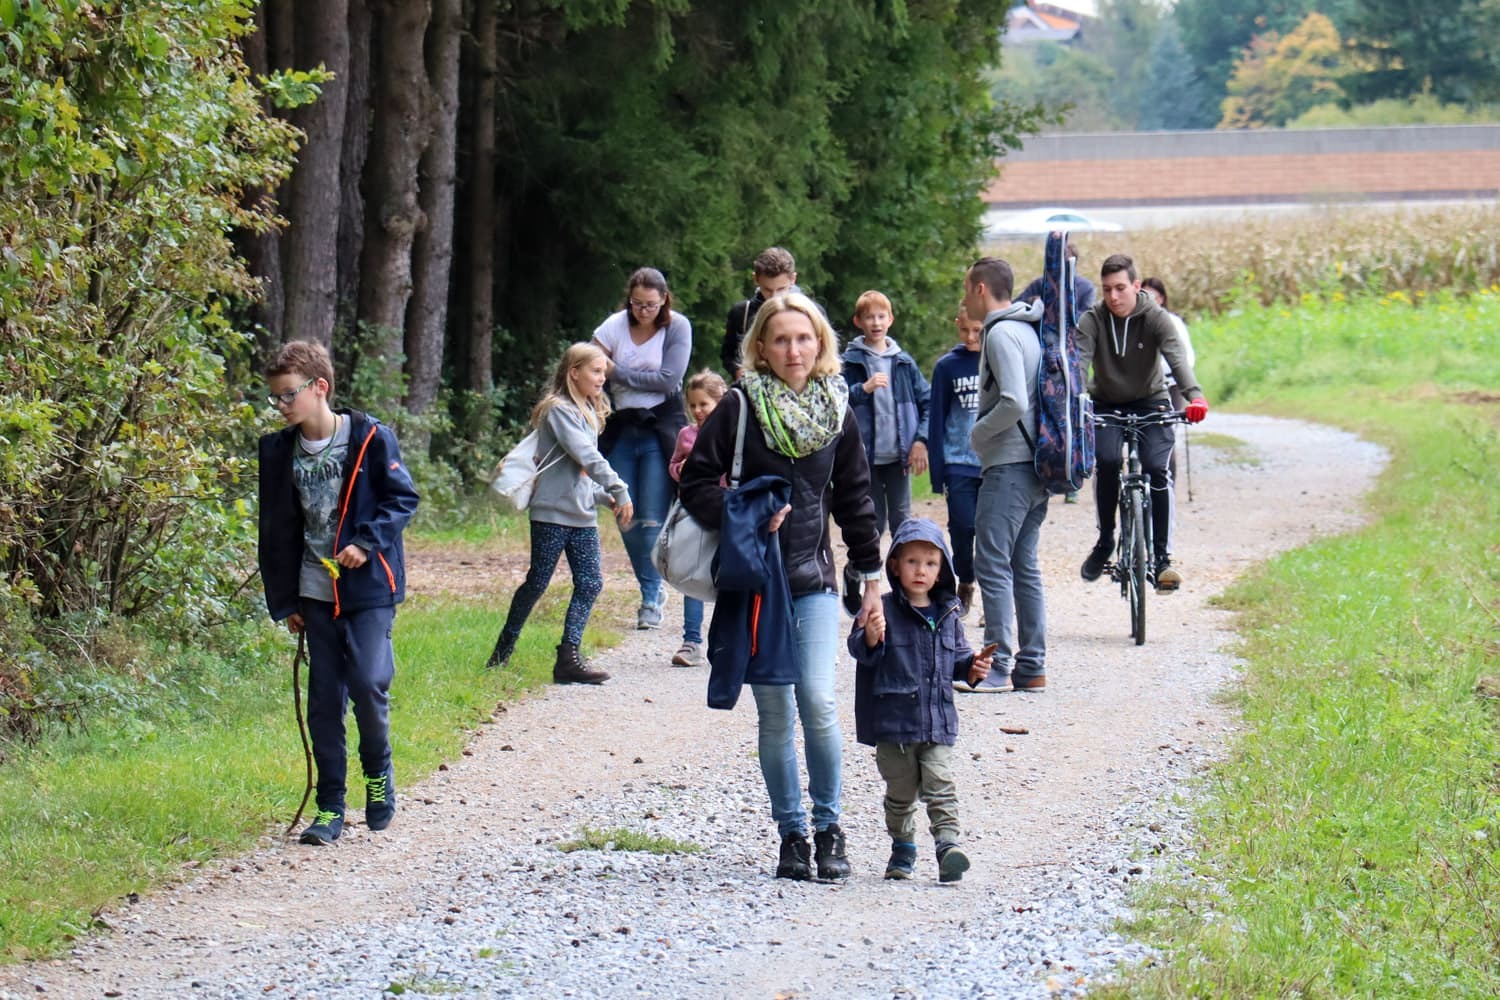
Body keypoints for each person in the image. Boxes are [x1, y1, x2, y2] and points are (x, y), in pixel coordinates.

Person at [680, 292, 883, 882]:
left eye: (803, 338)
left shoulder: (837, 408)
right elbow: (695, 483)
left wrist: (870, 578)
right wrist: (746, 512)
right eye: (781, 340)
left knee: (817, 700)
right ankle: (791, 834)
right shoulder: (740, 406)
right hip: (756, 582)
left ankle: (829, 828)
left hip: (814, 577)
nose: (794, 350)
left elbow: (856, 498)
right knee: (774, 714)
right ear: (762, 348)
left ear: (819, 343)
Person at [258, 341, 420, 846]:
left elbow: (402, 499)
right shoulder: (277, 452)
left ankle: (378, 776)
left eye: (289, 394)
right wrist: (285, 601)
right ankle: (330, 806)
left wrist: (365, 543)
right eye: (276, 397)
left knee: (369, 683)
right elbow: (274, 530)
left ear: (319, 387)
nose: (281, 405)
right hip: (313, 592)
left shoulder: (370, 438)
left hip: (368, 588)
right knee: (325, 700)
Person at [848, 517, 994, 882]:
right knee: (900, 795)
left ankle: (948, 846)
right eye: (912, 561)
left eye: (930, 563)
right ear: (895, 565)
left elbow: (958, 659)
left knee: (940, 784)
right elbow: (859, 650)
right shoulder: (881, 608)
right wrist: (871, 636)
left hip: (937, 722)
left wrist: (973, 668)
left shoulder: (949, 612)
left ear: (941, 569)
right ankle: (903, 847)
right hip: (894, 726)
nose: (920, 571)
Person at [485, 343, 634, 684]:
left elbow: (578, 476)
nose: (602, 378)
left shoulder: (588, 412)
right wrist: (618, 488)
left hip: (581, 516)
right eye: (596, 371)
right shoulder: (558, 411)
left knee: (590, 582)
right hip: (551, 514)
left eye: (604, 372)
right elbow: (586, 457)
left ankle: (568, 657)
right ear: (574, 373)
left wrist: (603, 497)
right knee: (537, 582)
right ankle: (503, 650)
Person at [1076, 255, 1208, 592]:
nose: (1113, 296)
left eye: (1120, 288)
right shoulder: (1093, 319)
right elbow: (1079, 362)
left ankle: (1162, 558)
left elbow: (1176, 357)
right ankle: (1106, 539)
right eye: (1107, 289)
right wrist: (1073, 399)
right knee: (1107, 461)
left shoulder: (1155, 317)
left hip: (1151, 399)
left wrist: (1195, 396)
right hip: (1106, 403)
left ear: (1136, 286)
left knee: (1156, 468)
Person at [964, 257, 1048, 693]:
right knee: (1023, 564)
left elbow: (1014, 400)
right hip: (1037, 467)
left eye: (967, 289)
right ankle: (1031, 667)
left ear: (981, 289)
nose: (964, 299)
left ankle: (997, 667)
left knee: (992, 562)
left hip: (1010, 465)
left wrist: (978, 433)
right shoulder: (1028, 329)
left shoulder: (1000, 334)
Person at [593, 267, 690, 630]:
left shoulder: (677, 327)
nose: (643, 311)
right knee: (625, 513)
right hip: (620, 426)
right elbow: (590, 364)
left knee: (650, 517)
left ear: (663, 300)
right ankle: (650, 587)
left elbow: (668, 380)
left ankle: (650, 597)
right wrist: (605, 372)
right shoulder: (613, 326)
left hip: (658, 427)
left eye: (650, 305)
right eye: (636, 304)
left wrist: (616, 371)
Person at [841, 289, 930, 541]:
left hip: (899, 457)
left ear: (890, 320)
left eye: (881, 316)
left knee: (901, 519)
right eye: (869, 317)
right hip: (865, 458)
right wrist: (863, 389)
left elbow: (928, 402)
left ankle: (900, 565)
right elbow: (836, 402)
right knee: (873, 520)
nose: (876, 323)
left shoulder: (904, 363)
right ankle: (867, 564)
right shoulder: (849, 362)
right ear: (858, 321)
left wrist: (921, 441)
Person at [1019, 240, 1095, 504]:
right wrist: (1035, 304)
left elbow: (1083, 320)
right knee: (1046, 415)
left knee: (1073, 416)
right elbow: (1019, 307)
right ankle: (1049, 467)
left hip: (1071, 360)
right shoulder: (1038, 285)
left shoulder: (1084, 288)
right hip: (1044, 360)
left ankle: (1073, 469)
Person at [666, 368, 729, 669]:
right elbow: (674, 466)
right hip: (695, 512)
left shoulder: (732, 432)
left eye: (704, 404)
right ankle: (691, 641)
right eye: (693, 405)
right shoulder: (686, 435)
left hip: (727, 512)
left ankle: (725, 641)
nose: (698, 410)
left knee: (727, 575)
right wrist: (683, 469)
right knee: (692, 573)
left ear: (720, 402)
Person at [927, 305, 985, 616]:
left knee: (993, 533)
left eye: (978, 330)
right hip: (958, 460)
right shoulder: (947, 366)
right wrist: (938, 471)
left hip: (993, 462)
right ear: (957, 325)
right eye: (965, 330)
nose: (971, 337)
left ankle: (995, 596)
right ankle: (966, 580)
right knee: (962, 527)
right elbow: (937, 418)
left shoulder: (999, 359)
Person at [721, 246, 799, 381]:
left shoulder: (810, 314)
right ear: (756, 279)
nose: (774, 297)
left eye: (781, 289)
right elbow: (728, 354)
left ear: (793, 279)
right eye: (767, 290)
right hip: (754, 386)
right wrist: (737, 371)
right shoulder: (742, 313)